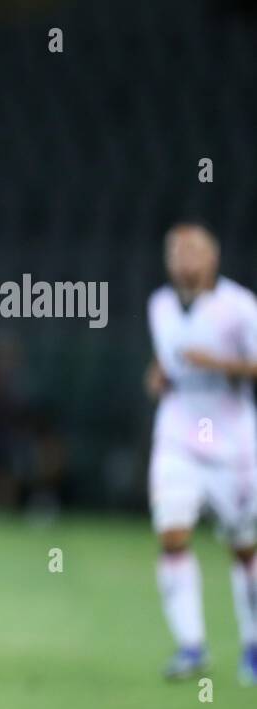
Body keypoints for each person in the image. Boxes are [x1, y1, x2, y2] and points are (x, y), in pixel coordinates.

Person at [145, 222, 257, 684]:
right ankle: (191, 646)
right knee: (172, 534)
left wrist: (221, 364)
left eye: (192, 250)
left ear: (212, 257)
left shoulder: (240, 306)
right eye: (175, 251)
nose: (182, 259)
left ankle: (251, 646)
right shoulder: (161, 304)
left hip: (232, 442)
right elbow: (171, 360)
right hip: (177, 434)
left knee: (244, 547)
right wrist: (157, 376)